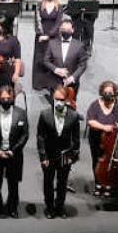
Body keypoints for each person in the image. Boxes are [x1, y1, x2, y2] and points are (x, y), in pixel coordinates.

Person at [0, 85, 29, 218]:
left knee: (13, 184)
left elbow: (25, 135)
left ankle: (12, 208)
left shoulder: (21, 113)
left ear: (13, 98)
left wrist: (13, 151)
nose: (6, 100)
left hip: (14, 154)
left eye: (8, 98)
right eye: (3, 98)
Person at [37, 85, 81, 219]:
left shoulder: (73, 116)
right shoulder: (44, 114)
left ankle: (60, 207)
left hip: (65, 156)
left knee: (62, 184)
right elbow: (40, 137)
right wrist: (43, 157)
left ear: (66, 100)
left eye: (62, 100)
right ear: (52, 99)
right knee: (48, 182)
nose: (59, 102)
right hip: (49, 155)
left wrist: (72, 156)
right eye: (57, 99)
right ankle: (49, 208)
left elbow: (76, 139)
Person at [86, 81, 118, 197]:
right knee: (97, 161)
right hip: (96, 138)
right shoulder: (95, 105)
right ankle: (98, 183)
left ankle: (108, 183)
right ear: (101, 93)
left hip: (113, 139)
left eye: (110, 92)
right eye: (105, 92)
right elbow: (90, 121)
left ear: (114, 93)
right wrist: (103, 127)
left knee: (111, 162)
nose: (107, 94)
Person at [40, 19, 88, 95]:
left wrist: (72, 77)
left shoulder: (79, 45)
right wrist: (56, 69)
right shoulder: (52, 43)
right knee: (54, 105)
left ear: (72, 30)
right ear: (60, 30)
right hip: (54, 81)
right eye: (63, 29)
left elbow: (83, 64)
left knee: (70, 105)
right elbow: (46, 60)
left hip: (71, 83)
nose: (65, 31)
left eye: (68, 29)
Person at [31, 0, 63, 91]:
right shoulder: (40, 5)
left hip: (53, 36)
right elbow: (37, 21)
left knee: (52, 59)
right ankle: (39, 83)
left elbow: (58, 23)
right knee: (40, 59)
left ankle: (51, 84)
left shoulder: (59, 6)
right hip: (41, 35)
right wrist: (41, 34)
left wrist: (48, 36)